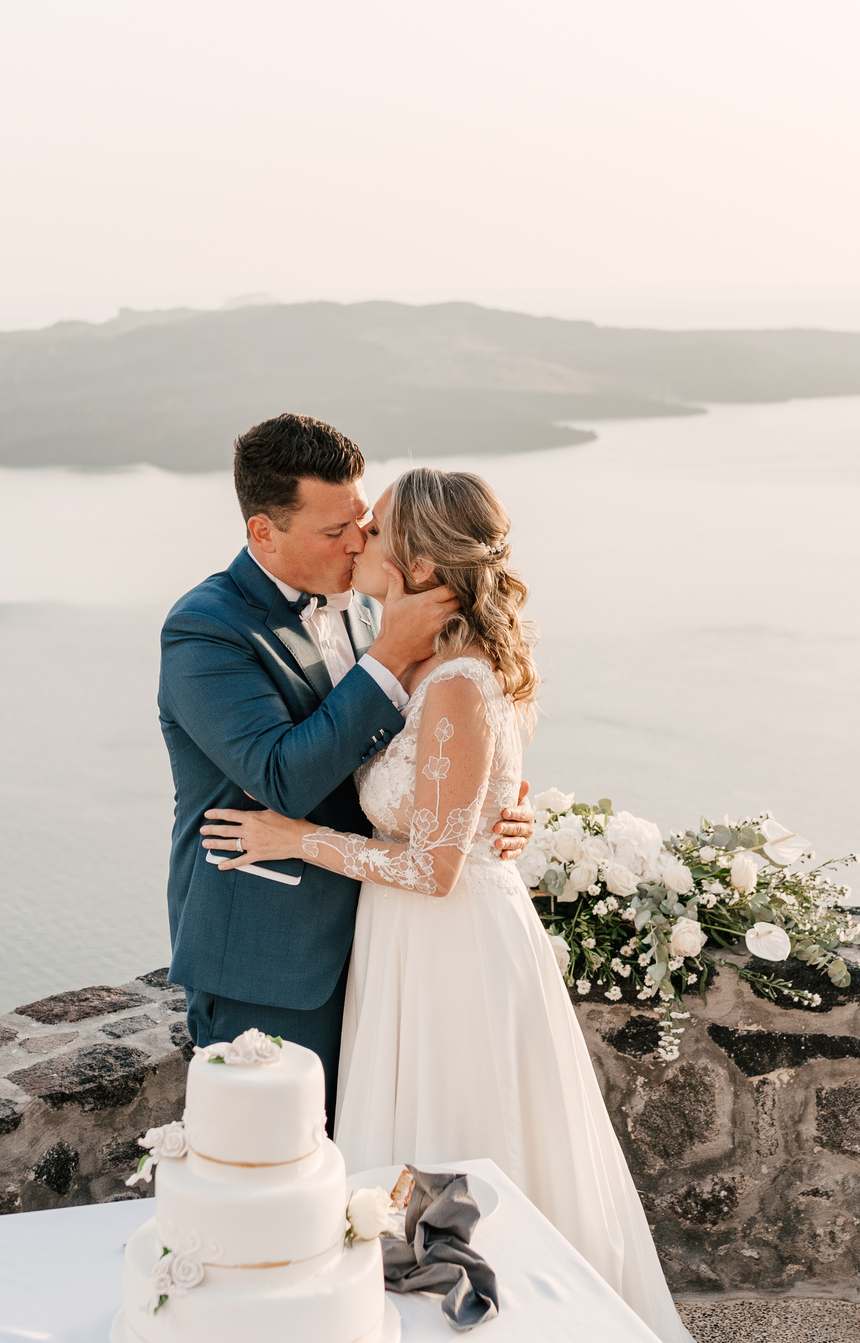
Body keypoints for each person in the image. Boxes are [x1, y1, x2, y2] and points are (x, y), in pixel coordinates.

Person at [201, 466, 694, 1343]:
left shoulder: (458, 677)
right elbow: (445, 801)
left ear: (423, 561)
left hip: (452, 944)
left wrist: (294, 837)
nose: (362, 541)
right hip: (406, 941)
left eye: (379, 530)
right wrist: (499, 799)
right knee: (407, 1152)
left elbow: (433, 866)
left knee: (466, 1143)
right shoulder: (407, 648)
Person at [157, 414, 534, 1127]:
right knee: (264, 1166)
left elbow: (434, 739)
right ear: (264, 532)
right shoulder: (207, 630)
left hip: (384, 949)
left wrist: (490, 812)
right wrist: (387, 655)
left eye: (362, 521)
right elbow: (282, 778)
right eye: (336, 532)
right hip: (269, 959)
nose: (359, 540)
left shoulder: (373, 607)